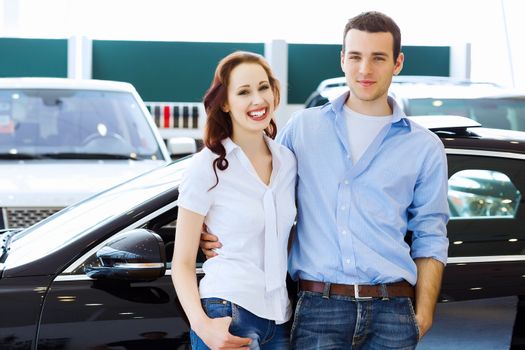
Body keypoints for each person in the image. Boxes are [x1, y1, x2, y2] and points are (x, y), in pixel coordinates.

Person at [200, 11, 449, 349]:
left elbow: (430, 234)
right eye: (356, 56)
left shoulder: (424, 147)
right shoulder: (303, 129)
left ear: (397, 62)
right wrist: (209, 228)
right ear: (342, 59)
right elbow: (257, 187)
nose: (365, 69)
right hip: (318, 307)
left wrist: (422, 314)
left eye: (378, 58)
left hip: (393, 310)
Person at [172, 51, 297, 350]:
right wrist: (202, 326)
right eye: (244, 92)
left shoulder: (288, 161)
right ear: (225, 103)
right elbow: (182, 263)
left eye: (263, 87)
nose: (258, 100)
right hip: (228, 312)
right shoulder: (207, 167)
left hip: (281, 317)